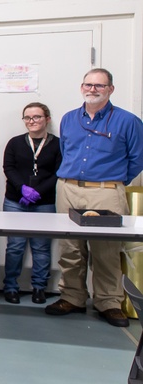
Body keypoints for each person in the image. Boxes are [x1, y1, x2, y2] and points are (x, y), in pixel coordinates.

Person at [46, 68, 143, 327]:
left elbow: (136, 159)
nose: (93, 89)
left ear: (110, 89)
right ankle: (72, 297)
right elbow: (66, 151)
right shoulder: (69, 119)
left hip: (107, 191)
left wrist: (112, 180)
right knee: (70, 248)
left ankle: (108, 302)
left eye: (99, 86)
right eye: (88, 85)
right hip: (69, 188)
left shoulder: (128, 121)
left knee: (107, 250)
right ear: (81, 88)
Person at [1, 102, 63, 305]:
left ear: (47, 119)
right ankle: (10, 287)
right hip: (15, 201)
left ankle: (39, 288)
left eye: (36, 117)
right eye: (27, 118)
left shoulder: (57, 144)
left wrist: (38, 192)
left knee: (41, 247)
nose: (32, 121)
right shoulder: (15, 143)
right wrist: (22, 189)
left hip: (43, 203)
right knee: (15, 247)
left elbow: (59, 172)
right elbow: (9, 168)